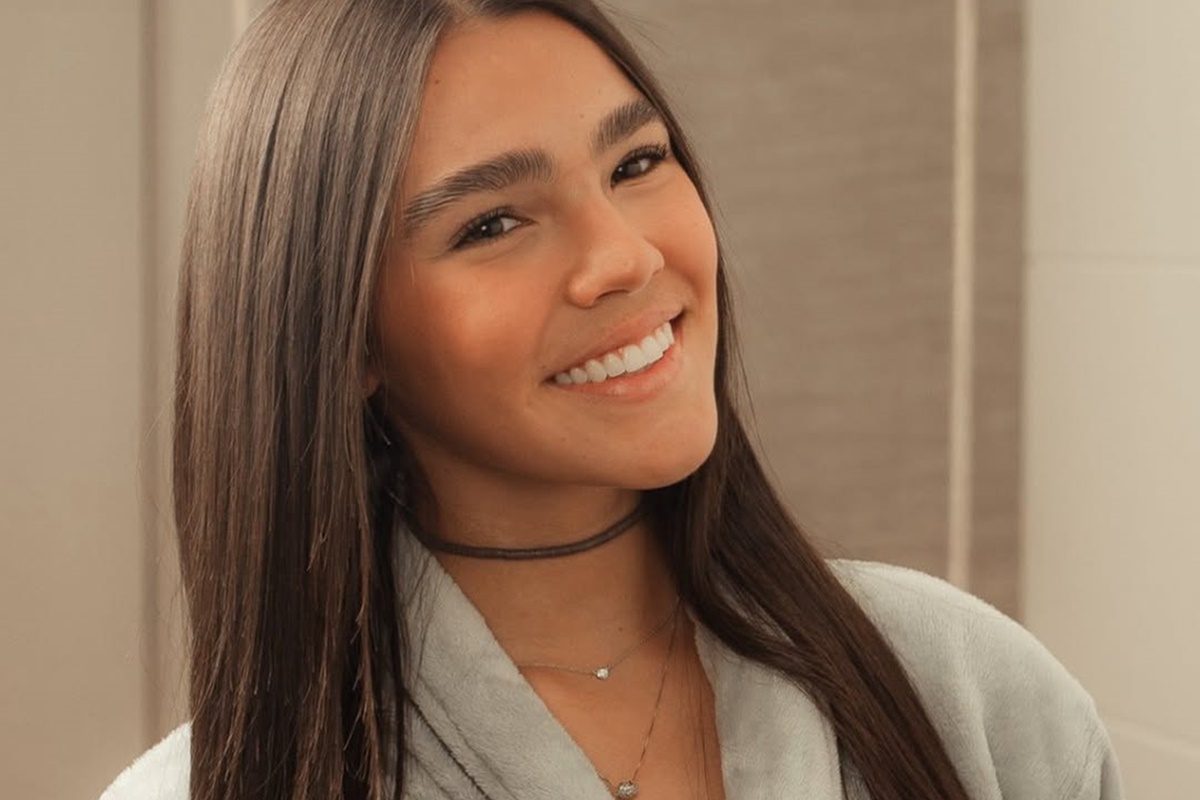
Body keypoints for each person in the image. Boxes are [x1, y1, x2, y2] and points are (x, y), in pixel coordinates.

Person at [101, 1, 1123, 799]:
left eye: (636, 162)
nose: (626, 256)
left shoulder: (965, 690)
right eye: (494, 224)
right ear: (347, 334)